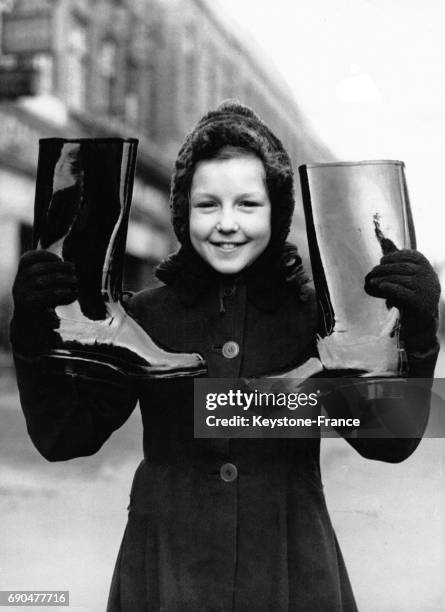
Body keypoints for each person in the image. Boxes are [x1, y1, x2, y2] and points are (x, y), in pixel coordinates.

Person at [10, 101, 440, 611]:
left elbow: (389, 444)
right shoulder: (142, 318)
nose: (227, 224)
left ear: (277, 212)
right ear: (182, 211)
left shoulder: (318, 318)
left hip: (291, 570)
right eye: (207, 205)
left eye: (248, 205)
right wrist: (37, 335)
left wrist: (412, 335)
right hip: (168, 575)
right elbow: (65, 438)